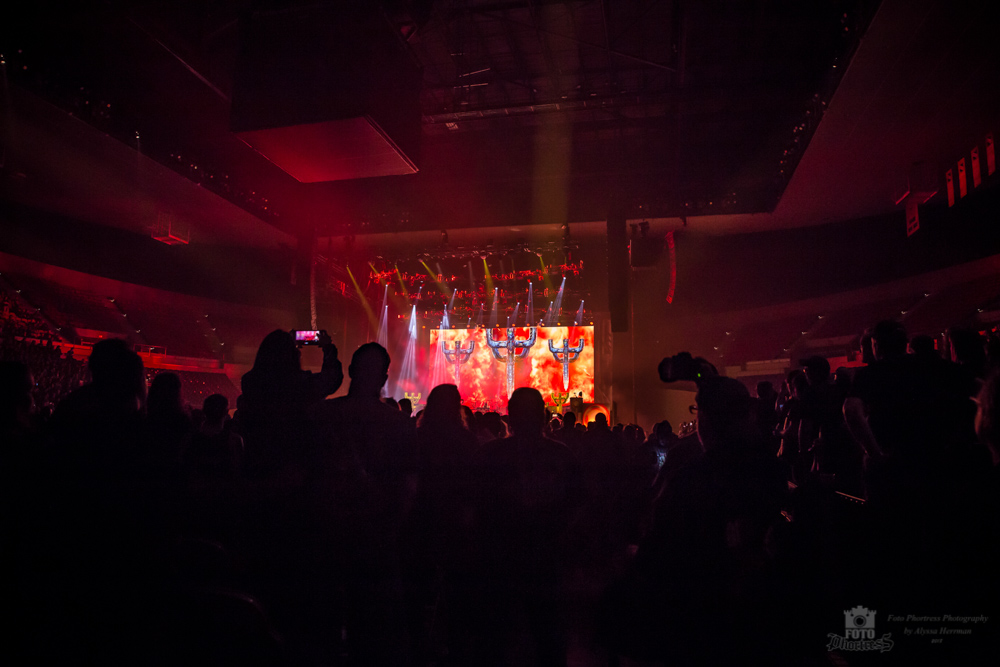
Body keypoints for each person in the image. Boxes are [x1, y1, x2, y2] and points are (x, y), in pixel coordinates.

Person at [468, 387, 583, 667]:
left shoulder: (490, 455)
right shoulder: (562, 455)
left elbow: (473, 505)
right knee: (547, 634)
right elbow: (579, 505)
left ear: (510, 416)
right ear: (542, 416)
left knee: (497, 636)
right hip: (546, 557)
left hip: (500, 558)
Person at [237, 329, 342, 476]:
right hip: (293, 465)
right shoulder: (299, 384)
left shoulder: (250, 381)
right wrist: (328, 349)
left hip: (257, 462)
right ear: (293, 355)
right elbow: (331, 379)